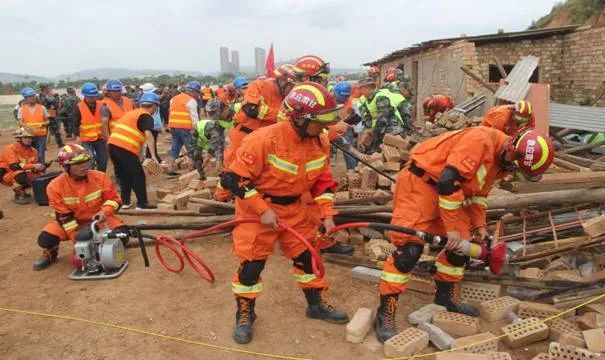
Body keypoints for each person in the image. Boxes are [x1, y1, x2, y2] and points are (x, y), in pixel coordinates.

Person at [374, 126, 554, 343]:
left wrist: (478, 225)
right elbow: (448, 181)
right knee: (409, 251)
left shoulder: (503, 160)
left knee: (462, 247)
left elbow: (478, 195)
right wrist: (451, 230)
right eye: (513, 167)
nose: (511, 171)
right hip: (421, 186)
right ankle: (385, 314)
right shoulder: (480, 142)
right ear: (511, 146)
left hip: (450, 194)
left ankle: (445, 296)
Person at [221, 82, 349, 344]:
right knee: (251, 267)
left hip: (295, 211)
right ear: (300, 117)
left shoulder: (319, 140)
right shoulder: (262, 140)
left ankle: (316, 305)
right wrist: (262, 209)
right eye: (321, 121)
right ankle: (245, 314)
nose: (326, 127)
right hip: (257, 214)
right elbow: (233, 180)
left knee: (308, 260)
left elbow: (322, 180)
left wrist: (326, 213)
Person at [32, 144, 128, 271]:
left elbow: (115, 200)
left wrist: (104, 212)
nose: (85, 166)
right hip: (72, 222)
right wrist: (79, 242)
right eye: (78, 163)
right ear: (66, 166)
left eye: (86, 161)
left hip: (98, 219)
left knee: (123, 235)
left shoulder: (100, 177)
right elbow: (64, 218)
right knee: (45, 239)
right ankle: (51, 252)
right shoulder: (54, 187)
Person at [217, 64, 304, 201]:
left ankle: (248, 198)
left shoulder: (287, 97)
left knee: (260, 170)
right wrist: (277, 115)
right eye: (292, 88)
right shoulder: (259, 85)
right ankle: (221, 198)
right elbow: (250, 109)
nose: (292, 92)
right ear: (283, 80)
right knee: (233, 168)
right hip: (244, 133)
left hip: (264, 139)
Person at [108, 93, 159, 209]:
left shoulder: (131, 114)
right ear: (155, 106)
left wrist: (140, 155)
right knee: (138, 175)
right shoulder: (146, 116)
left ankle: (125, 202)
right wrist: (153, 155)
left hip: (113, 146)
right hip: (125, 148)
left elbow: (136, 135)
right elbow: (148, 135)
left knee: (124, 175)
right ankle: (142, 203)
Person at [0, 127, 46, 204]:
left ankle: (31, 190)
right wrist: (33, 166)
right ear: (19, 138)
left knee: (41, 176)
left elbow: (33, 166)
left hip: (24, 171)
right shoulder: (11, 148)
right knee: (19, 174)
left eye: (30, 138)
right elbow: (15, 166)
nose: (29, 140)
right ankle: (19, 193)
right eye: (25, 137)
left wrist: (40, 168)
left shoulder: (34, 151)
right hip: (8, 174)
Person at [189, 98, 233, 180]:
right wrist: (191, 157)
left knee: (227, 153)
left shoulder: (216, 127)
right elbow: (193, 144)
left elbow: (218, 144)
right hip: (202, 141)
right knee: (196, 155)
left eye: (218, 115)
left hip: (252, 138)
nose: (218, 118)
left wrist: (218, 160)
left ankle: (226, 174)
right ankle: (202, 176)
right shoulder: (203, 127)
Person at [166, 81, 201, 177]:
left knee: (175, 148)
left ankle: (170, 169)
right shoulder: (191, 101)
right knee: (191, 148)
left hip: (173, 127)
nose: (198, 96)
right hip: (185, 128)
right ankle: (191, 169)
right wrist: (198, 130)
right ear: (194, 92)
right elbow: (194, 117)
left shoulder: (173, 99)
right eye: (198, 93)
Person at [73, 83, 110, 171]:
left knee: (103, 160)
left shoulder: (102, 105)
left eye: (94, 96)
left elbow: (107, 122)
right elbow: (75, 123)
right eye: (90, 97)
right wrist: (77, 135)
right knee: (90, 160)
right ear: (85, 96)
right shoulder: (79, 107)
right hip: (86, 140)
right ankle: (91, 177)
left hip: (101, 138)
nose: (93, 99)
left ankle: (101, 176)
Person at [17, 87, 49, 163]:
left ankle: (41, 170)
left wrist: (44, 123)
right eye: (30, 96)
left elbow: (48, 120)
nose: (33, 98)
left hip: (41, 135)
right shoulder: (22, 109)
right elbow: (20, 122)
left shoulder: (42, 108)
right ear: (25, 98)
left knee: (40, 153)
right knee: (29, 153)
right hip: (28, 136)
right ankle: (32, 169)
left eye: (34, 96)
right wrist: (26, 128)